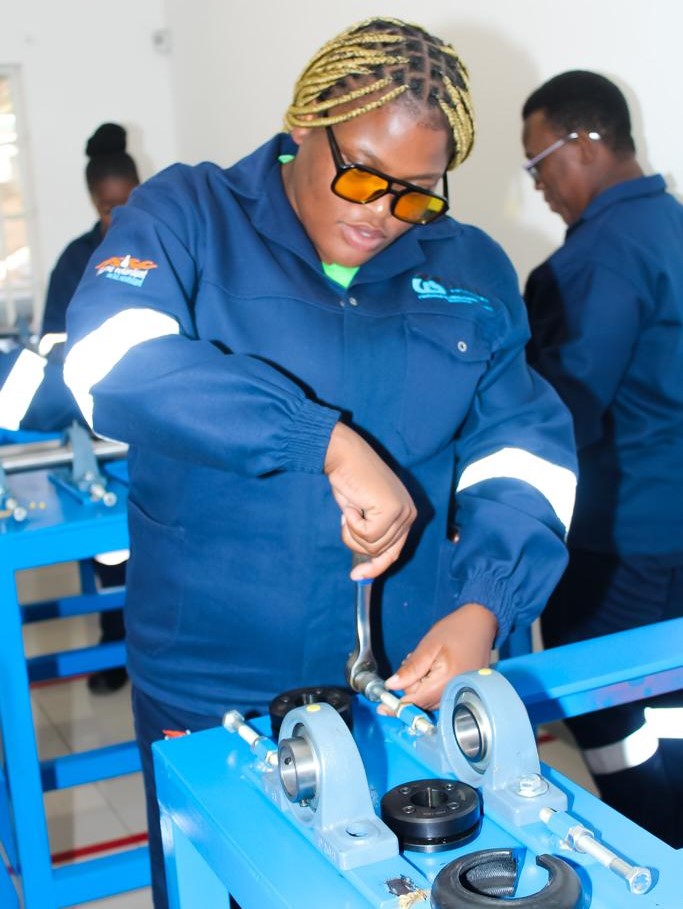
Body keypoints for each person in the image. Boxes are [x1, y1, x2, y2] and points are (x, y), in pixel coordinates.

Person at [64, 18, 576, 908]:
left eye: (415, 194)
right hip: (209, 674)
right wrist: (319, 440)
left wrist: (486, 603)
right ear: (304, 123)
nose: (380, 214)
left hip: (402, 677)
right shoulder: (189, 215)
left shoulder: (470, 268)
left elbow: (521, 451)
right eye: (362, 176)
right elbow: (110, 360)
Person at [522, 70, 683, 846]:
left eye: (537, 162)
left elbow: (566, 405)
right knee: (671, 708)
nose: (538, 184)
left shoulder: (597, 257)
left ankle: (655, 858)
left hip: (615, 544)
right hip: (671, 530)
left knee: (605, 713)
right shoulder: (669, 225)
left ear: (583, 143)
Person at [1, 123, 139, 692]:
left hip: (152, 427)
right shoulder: (76, 262)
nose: (118, 216)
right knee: (111, 557)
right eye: (108, 207)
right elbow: (54, 353)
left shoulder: (164, 244)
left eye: (128, 202)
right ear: (92, 202)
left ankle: (147, 643)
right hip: (96, 427)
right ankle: (114, 647)